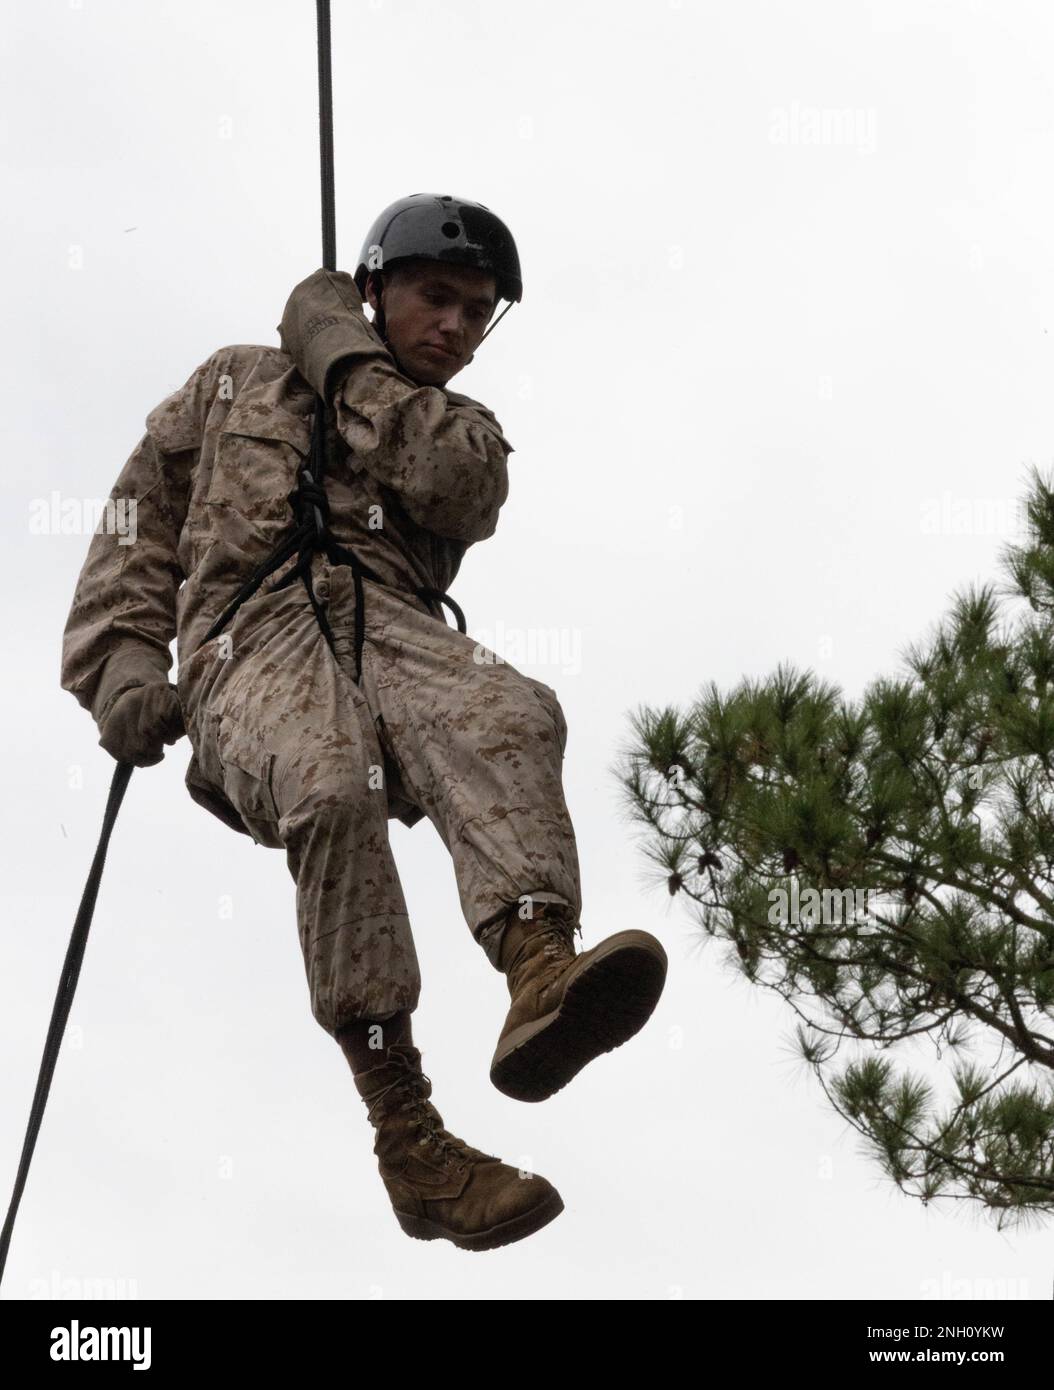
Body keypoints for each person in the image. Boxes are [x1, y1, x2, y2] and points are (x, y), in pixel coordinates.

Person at [60, 194, 668, 1251]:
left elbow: (454, 487)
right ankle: (410, 1134)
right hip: (249, 640)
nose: (456, 328)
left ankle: (538, 967)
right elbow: (136, 519)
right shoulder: (231, 382)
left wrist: (346, 361)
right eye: (437, 299)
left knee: (510, 709)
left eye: (477, 315)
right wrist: (121, 666)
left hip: (390, 624)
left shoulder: (458, 428)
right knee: (331, 786)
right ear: (377, 283)